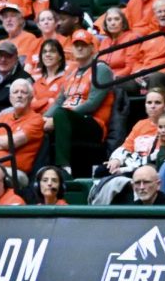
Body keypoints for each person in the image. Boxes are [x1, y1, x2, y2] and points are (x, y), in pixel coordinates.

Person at [44, 31, 114, 174]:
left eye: (84, 45)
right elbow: (59, 101)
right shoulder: (71, 72)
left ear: (92, 48)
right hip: (66, 118)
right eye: (76, 45)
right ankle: (40, 172)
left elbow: (93, 103)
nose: (79, 48)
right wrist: (43, 119)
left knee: (60, 114)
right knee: (38, 126)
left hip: (92, 123)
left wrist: (58, 118)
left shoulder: (101, 69)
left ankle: (64, 168)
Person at [0, 78, 44, 183]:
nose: (19, 95)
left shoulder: (36, 119)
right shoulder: (2, 117)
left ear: (31, 97)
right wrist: (6, 144)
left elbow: (12, 142)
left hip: (14, 172)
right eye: (15, 92)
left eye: (23, 92)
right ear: (10, 98)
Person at [97, 7, 135, 80]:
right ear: (106, 23)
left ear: (123, 22)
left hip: (122, 79)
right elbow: (99, 65)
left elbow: (130, 67)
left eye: (117, 19)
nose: (113, 23)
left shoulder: (131, 38)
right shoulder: (104, 41)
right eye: (109, 20)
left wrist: (112, 78)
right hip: (103, 80)